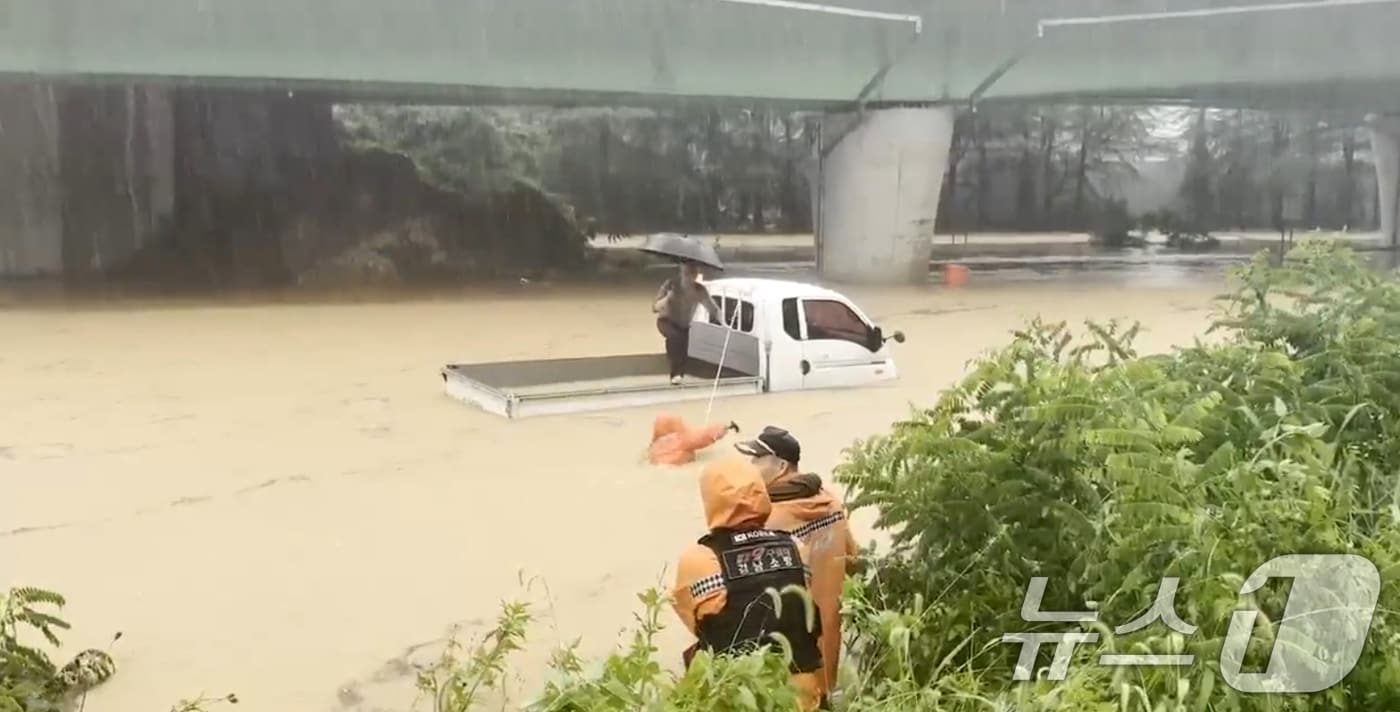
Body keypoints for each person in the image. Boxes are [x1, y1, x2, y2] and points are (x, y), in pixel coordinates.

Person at [671, 457, 825, 711]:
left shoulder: (699, 559)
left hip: (740, 698)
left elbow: (696, 622)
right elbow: (801, 613)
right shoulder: (796, 547)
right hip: (803, 696)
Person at [737, 426, 859, 702]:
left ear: (781, 465)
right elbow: (853, 559)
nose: (751, 466)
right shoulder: (830, 501)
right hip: (827, 643)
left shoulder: (768, 519)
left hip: (791, 655)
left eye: (757, 459)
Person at [653, 262, 721, 385]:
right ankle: (674, 374)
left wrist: (719, 319)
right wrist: (668, 298)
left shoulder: (700, 290)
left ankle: (678, 377)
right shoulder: (671, 285)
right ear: (682, 274)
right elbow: (655, 308)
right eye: (686, 274)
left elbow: (712, 308)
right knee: (674, 338)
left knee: (683, 354)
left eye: (693, 275)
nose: (689, 278)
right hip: (665, 321)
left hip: (683, 326)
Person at [648, 414, 740, 466]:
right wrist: (722, 429)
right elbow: (702, 437)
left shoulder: (656, 445)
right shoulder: (677, 439)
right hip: (674, 469)